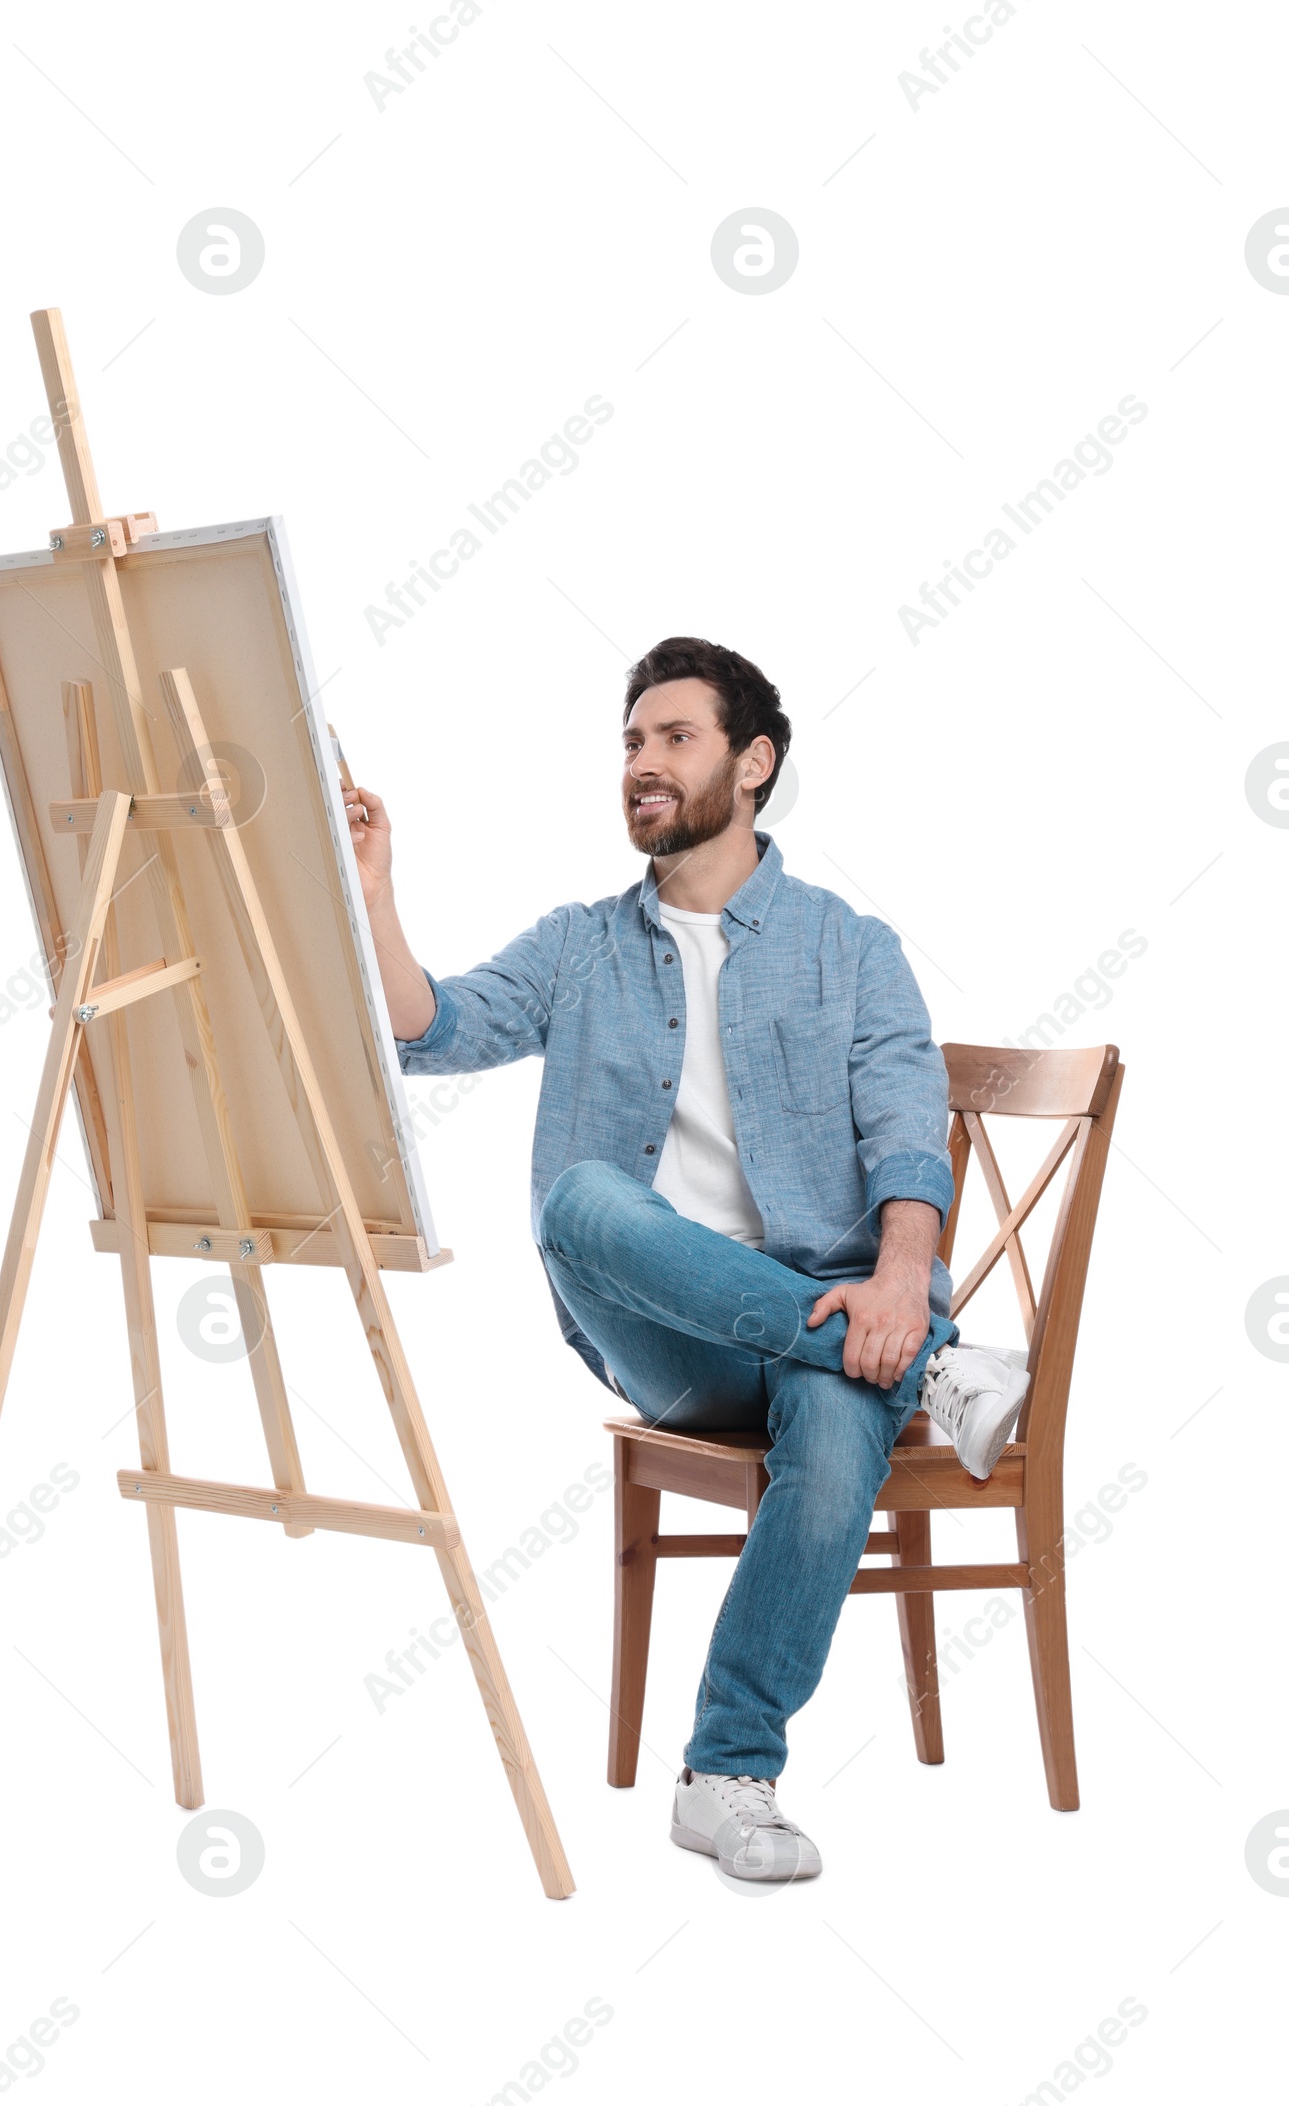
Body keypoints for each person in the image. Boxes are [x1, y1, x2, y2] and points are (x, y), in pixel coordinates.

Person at [342, 636, 1026, 1884]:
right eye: (630, 743)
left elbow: (902, 1131)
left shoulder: (847, 945)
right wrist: (376, 894)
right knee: (583, 1199)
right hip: (670, 1338)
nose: (641, 766)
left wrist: (894, 1277)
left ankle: (726, 1777)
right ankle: (936, 1369)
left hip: (839, 1317)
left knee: (830, 1405)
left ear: (752, 763)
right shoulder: (580, 944)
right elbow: (428, 1031)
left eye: (673, 739)